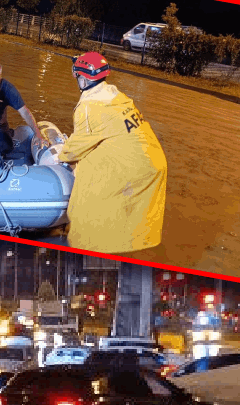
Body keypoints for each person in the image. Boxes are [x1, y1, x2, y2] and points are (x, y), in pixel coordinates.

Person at [59, 51, 167, 254]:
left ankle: (83, 246)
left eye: (78, 76)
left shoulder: (89, 107)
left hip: (131, 167)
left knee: (87, 200)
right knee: (130, 216)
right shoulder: (117, 95)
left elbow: (73, 150)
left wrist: (59, 156)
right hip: (152, 160)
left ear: (83, 78)